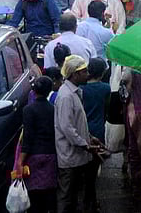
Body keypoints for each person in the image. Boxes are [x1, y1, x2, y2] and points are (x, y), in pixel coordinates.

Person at [54, 55, 101, 213]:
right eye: (84, 72)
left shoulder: (73, 92)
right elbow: (67, 127)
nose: (88, 74)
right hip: (69, 156)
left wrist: (89, 138)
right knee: (66, 196)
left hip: (77, 155)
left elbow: (77, 123)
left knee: (73, 196)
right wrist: (85, 144)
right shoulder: (66, 96)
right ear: (74, 74)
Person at [17, 76, 58, 213]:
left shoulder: (28, 110)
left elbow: (27, 138)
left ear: (34, 91)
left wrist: (20, 161)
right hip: (51, 155)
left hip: (33, 156)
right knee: (49, 193)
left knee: (34, 195)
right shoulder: (53, 109)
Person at [80, 57, 110, 212]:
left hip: (82, 131)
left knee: (83, 170)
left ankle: (86, 201)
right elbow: (107, 109)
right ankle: (90, 202)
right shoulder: (105, 89)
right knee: (93, 170)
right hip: (98, 131)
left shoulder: (80, 89)